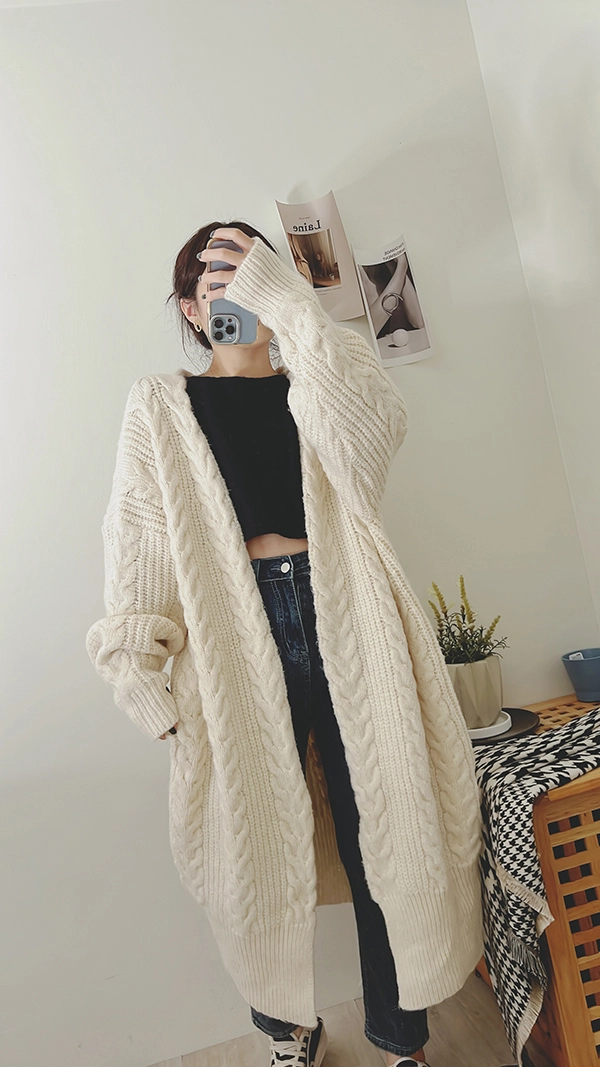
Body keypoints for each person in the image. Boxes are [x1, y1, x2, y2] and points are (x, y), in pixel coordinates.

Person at [86, 222, 483, 1067]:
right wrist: (146, 687)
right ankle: (289, 1031)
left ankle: (400, 1039)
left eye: (245, 277)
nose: (230, 297)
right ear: (189, 308)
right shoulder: (159, 404)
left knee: (385, 834)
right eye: (211, 285)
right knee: (253, 855)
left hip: (349, 615)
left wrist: (292, 307)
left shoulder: (322, 378)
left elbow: (375, 439)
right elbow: (139, 542)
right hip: (232, 637)